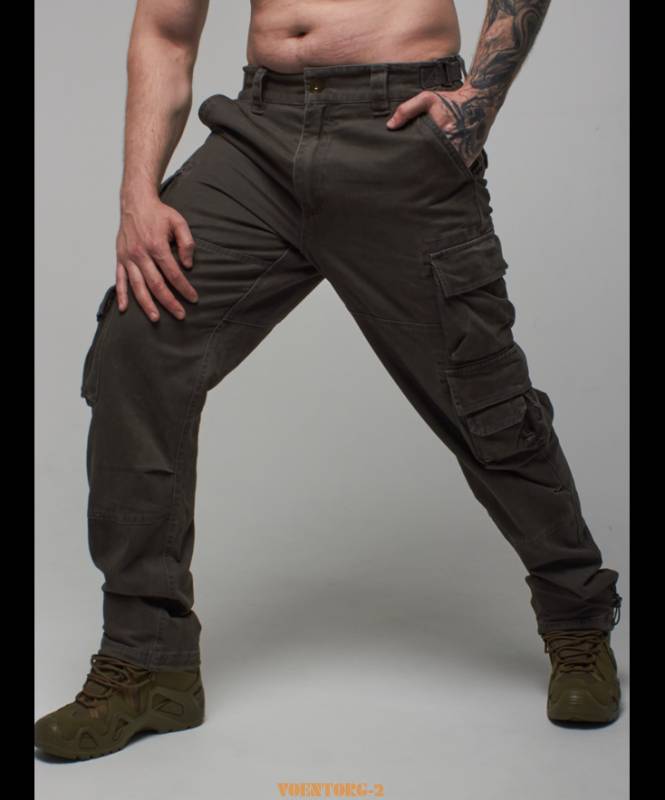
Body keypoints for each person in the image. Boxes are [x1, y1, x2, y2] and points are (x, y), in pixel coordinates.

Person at [35, 0, 624, 760]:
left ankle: (576, 619)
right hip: (261, 134)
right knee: (136, 342)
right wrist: (137, 197)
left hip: (399, 131)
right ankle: (147, 662)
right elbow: (165, 31)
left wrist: (478, 99)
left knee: (483, 394)